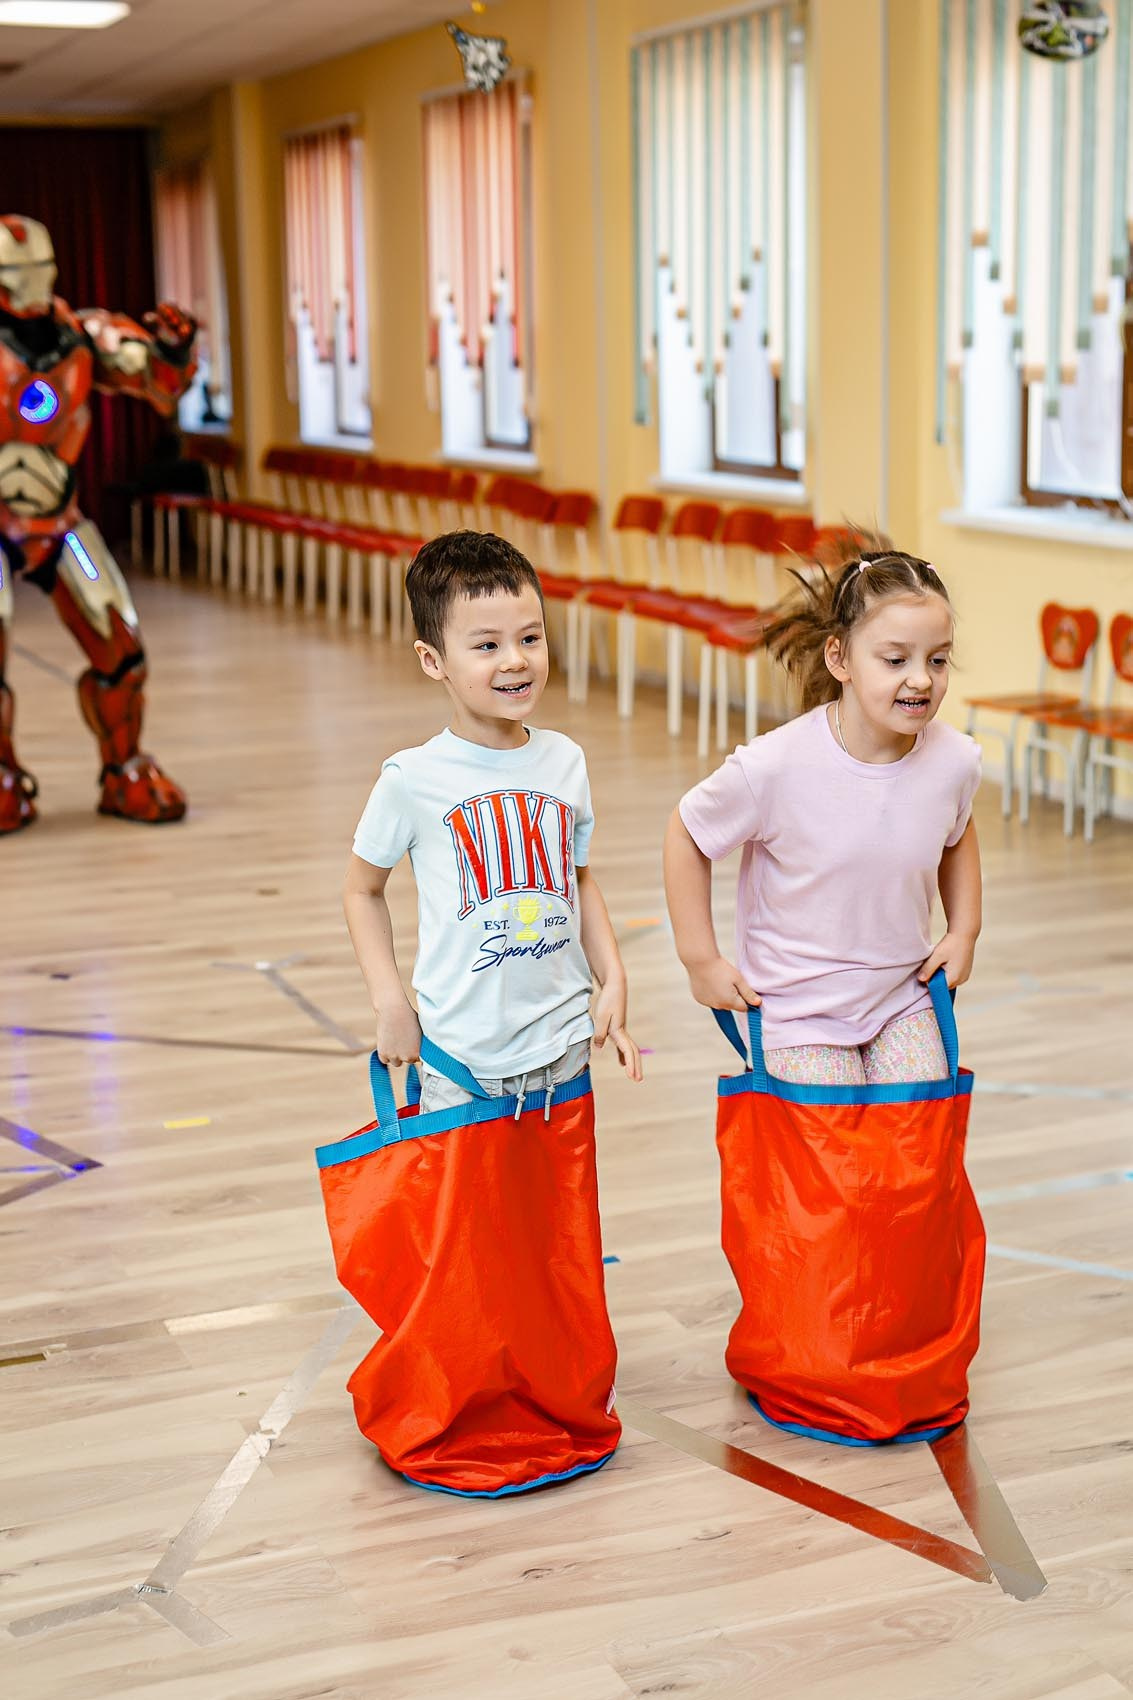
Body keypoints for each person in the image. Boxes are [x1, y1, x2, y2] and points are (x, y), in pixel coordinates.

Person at [345, 528, 642, 1117]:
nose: (516, 660)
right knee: (468, 1214)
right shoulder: (411, 778)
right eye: (486, 646)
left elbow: (579, 880)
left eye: (531, 637)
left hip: (565, 1052)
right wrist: (390, 1003)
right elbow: (361, 890)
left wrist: (614, 980)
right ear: (434, 660)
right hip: (461, 1064)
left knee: (558, 1213)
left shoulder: (565, 760)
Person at [663, 547, 982, 1085]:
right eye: (896, 659)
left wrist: (965, 929)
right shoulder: (774, 766)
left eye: (938, 659)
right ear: (840, 660)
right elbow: (687, 833)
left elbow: (957, 830)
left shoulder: (954, 761)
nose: (922, 680)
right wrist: (700, 959)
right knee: (828, 1162)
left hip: (901, 1000)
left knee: (912, 1154)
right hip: (797, 1012)